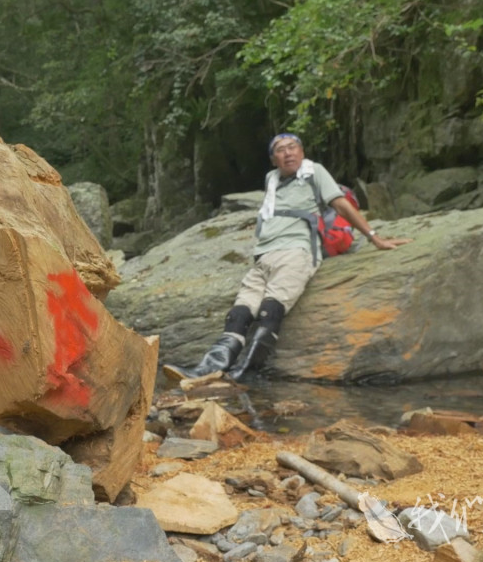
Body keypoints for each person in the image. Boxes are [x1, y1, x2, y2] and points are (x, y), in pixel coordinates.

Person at [165, 133, 410, 381]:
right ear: (273, 160)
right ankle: (207, 370)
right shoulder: (271, 179)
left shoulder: (315, 171)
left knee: (270, 309)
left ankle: (245, 374)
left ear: (302, 152)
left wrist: (374, 237)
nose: (288, 153)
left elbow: (341, 206)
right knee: (239, 313)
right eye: (280, 150)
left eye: (293, 147)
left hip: (297, 251)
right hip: (264, 256)